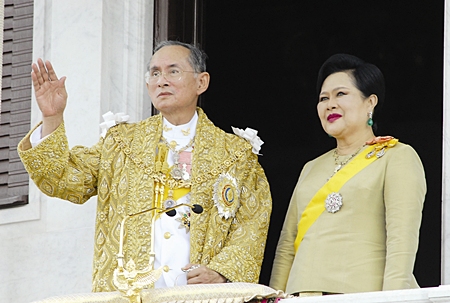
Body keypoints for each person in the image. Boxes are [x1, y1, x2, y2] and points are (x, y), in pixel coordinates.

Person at [18, 41, 272, 292]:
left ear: (201, 82)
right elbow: (62, 179)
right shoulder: (120, 143)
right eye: (154, 73)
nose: (161, 80)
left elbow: (252, 222)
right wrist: (52, 117)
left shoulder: (235, 154)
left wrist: (221, 272)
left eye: (173, 71)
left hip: (201, 294)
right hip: (131, 294)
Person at [269, 54, 426, 295]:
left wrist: (394, 299)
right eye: (323, 98)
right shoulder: (311, 167)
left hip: (362, 296)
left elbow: (401, 245)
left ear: (370, 102)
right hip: (300, 297)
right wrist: (274, 296)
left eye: (341, 94)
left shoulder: (397, 156)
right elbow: (287, 246)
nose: (330, 104)